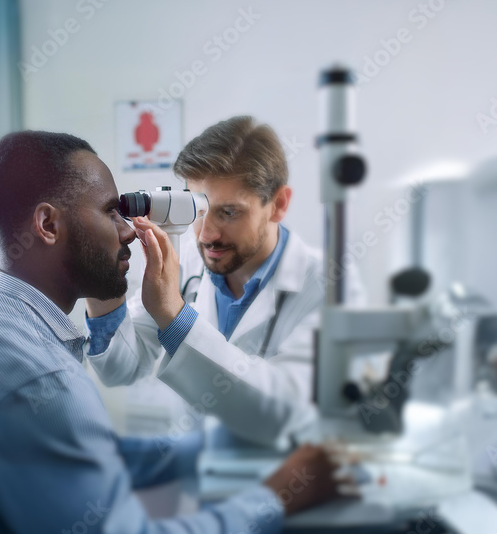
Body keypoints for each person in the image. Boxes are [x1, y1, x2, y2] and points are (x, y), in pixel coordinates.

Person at [0, 130, 346, 534]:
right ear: (47, 224)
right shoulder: (34, 378)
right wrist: (277, 497)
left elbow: (84, 448)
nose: (128, 229)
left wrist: (209, 455)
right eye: (110, 212)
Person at [85, 116, 365, 448]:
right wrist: (99, 275)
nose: (207, 235)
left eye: (229, 213)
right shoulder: (189, 257)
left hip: (281, 482)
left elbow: (284, 413)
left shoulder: (331, 285)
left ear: (278, 204)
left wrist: (174, 318)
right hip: (195, 476)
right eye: (199, 208)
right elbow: (119, 367)